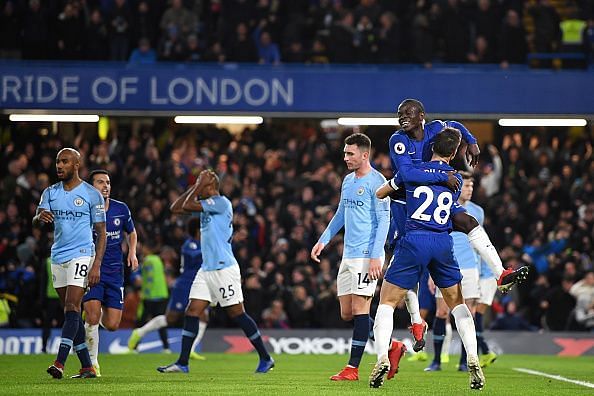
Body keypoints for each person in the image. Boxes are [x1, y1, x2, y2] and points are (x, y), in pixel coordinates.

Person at [386, 99, 528, 352]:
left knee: (469, 221)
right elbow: (406, 174)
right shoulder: (398, 140)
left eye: (408, 113)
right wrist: (444, 175)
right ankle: (416, 321)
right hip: (405, 201)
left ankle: (500, 272)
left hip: (430, 200)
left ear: (422, 116)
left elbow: (455, 125)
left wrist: (472, 141)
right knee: (404, 259)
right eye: (400, 113)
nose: (402, 117)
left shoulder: (434, 129)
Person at [370, 128, 485, 390]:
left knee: (386, 302)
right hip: (443, 242)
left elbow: (380, 193)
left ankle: (381, 358)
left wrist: (400, 182)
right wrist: (472, 140)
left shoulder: (411, 171)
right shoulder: (454, 179)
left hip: (413, 239)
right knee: (458, 305)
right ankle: (472, 358)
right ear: (454, 152)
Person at [157, 170, 274, 373]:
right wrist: (197, 186)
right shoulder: (205, 206)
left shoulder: (221, 202)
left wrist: (199, 185)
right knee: (192, 311)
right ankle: (182, 363)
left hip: (223, 268)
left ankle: (265, 358)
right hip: (207, 268)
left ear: (210, 186)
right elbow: (175, 208)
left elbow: (186, 205)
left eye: (202, 183)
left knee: (237, 313)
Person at [310, 133, 405, 382]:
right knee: (347, 313)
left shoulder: (377, 182)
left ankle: (352, 368)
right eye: (345, 153)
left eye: (350, 153)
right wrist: (323, 239)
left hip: (367, 255)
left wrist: (377, 255)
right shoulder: (348, 180)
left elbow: (385, 220)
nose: (345, 158)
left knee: (361, 309)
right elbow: (341, 212)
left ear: (365, 155)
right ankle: (393, 345)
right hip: (348, 255)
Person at [33, 148, 106, 379]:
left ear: (76, 164)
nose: (59, 165)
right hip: (58, 256)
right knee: (71, 314)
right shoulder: (50, 193)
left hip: (82, 254)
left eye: (64, 161)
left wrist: (96, 265)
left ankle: (60, 362)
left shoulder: (91, 194)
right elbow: (37, 219)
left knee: (73, 307)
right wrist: (39, 219)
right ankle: (87, 367)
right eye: (57, 161)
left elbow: (101, 233)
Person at [128, 216, 208, 361]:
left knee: (203, 316)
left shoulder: (203, 244)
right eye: (203, 228)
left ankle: (190, 349)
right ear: (197, 230)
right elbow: (195, 256)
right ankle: (139, 333)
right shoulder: (190, 245)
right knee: (170, 318)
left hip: (199, 285)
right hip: (184, 285)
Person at [83, 170, 138, 376]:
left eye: (107, 182)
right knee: (94, 317)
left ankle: (89, 319)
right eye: (100, 182)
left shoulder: (121, 209)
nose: (105, 185)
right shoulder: (84, 210)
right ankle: (93, 363)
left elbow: (131, 232)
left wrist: (132, 253)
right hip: (91, 269)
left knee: (113, 324)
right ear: (91, 187)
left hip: (116, 273)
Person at [425, 172, 481, 372]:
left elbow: (479, 245)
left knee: (469, 314)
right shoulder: (444, 206)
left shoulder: (477, 212)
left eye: (471, 186)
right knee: (442, 312)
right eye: (466, 186)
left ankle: (465, 362)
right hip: (446, 267)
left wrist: (481, 273)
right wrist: (432, 272)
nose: (469, 189)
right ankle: (437, 360)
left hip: (470, 268)